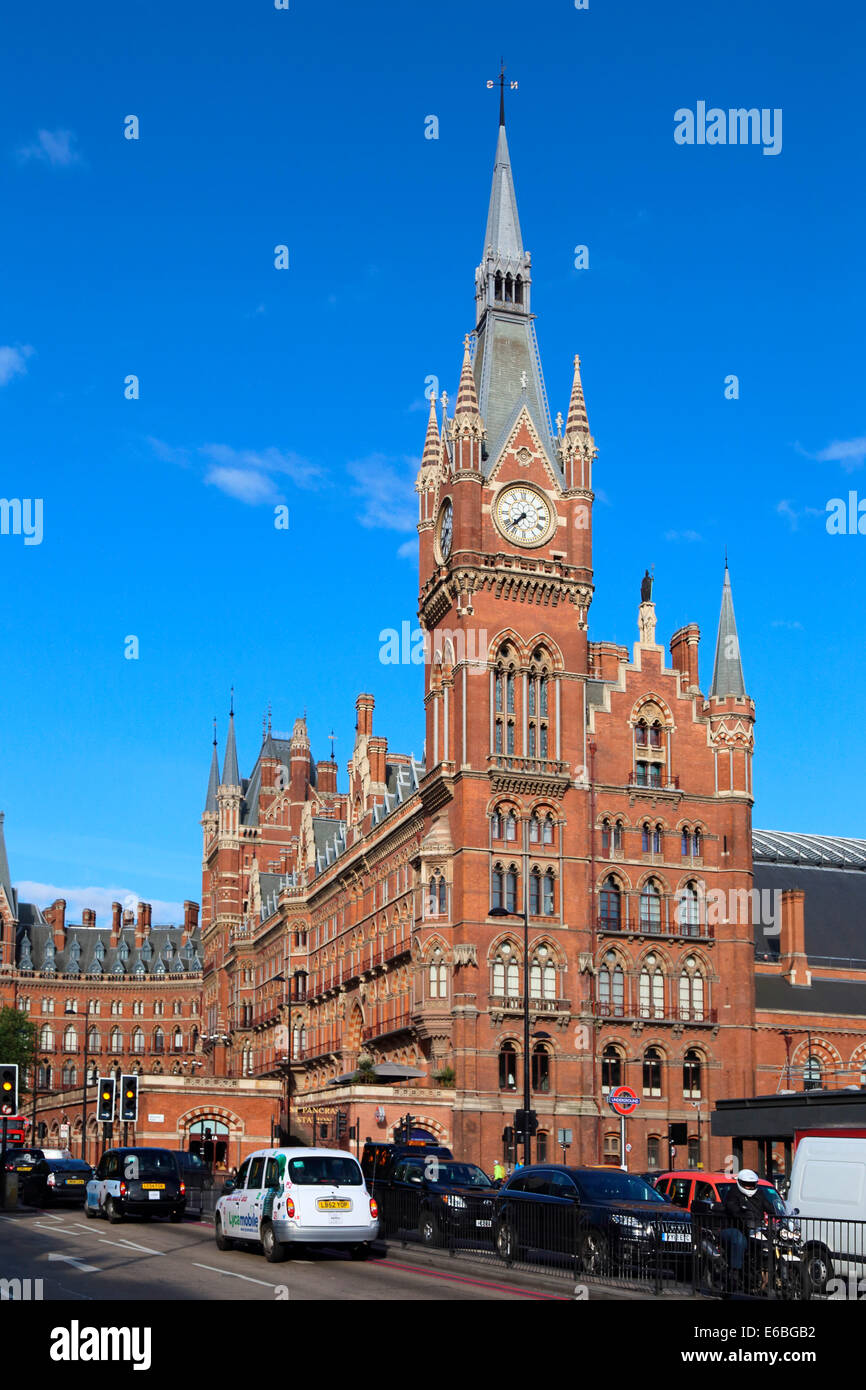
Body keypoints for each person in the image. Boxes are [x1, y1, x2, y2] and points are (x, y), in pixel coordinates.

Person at [720, 1169, 776, 1288]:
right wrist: (741, 1215)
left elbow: (769, 1206)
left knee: (769, 1241)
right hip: (734, 1227)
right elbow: (732, 1207)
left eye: (752, 1184)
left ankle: (766, 1271)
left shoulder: (759, 1194)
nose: (749, 1187)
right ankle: (734, 1273)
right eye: (746, 1184)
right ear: (740, 1182)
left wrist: (778, 1213)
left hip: (754, 1228)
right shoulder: (733, 1193)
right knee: (740, 1240)